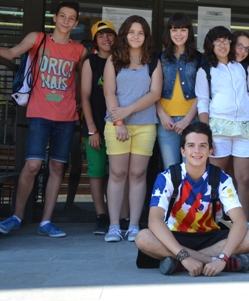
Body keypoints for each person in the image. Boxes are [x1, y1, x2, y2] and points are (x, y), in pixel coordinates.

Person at [0, 1, 88, 238]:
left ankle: (46, 221)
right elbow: (12, 53)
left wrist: (77, 101)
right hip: (39, 113)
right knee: (33, 165)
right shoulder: (38, 39)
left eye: (71, 18)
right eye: (62, 16)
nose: (66, 21)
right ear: (54, 17)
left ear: (76, 23)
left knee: (57, 167)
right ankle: (16, 216)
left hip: (66, 117)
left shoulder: (79, 50)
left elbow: (83, 78)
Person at [135, 122, 249, 276]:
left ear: (210, 150)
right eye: (191, 146)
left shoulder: (221, 178)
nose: (196, 151)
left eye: (202, 146)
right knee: (143, 237)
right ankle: (207, 261)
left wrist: (222, 257)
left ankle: (179, 262)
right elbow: (154, 220)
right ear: (182, 151)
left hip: (210, 235)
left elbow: (240, 221)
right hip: (175, 235)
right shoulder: (167, 177)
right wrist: (185, 255)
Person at [103, 15, 162, 242]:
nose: (136, 36)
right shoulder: (114, 59)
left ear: (146, 36)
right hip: (116, 125)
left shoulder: (153, 61)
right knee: (117, 174)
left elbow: (155, 94)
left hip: (145, 125)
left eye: (140, 33)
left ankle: (135, 225)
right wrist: (119, 122)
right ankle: (114, 226)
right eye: (131, 32)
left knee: (138, 175)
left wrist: (127, 111)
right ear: (124, 34)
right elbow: (109, 92)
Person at [196, 26, 249, 224]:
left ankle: (242, 225)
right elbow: (202, 102)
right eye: (217, 41)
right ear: (211, 45)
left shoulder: (243, 68)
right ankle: (217, 223)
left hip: (243, 127)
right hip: (218, 128)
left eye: (225, 41)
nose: (222, 45)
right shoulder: (205, 70)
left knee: (245, 179)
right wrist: (206, 136)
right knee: (218, 180)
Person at [81, 20, 118, 235]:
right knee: (96, 172)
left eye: (109, 34)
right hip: (95, 126)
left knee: (117, 172)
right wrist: (92, 128)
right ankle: (101, 216)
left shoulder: (122, 61)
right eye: (101, 35)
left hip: (118, 126)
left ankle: (117, 217)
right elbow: (84, 96)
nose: (106, 39)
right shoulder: (91, 62)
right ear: (95, 40)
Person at [156, 13, 202, 169]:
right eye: (174, 29)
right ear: (169, 32)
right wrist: (162, 115)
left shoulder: (199, 59)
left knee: (191, 169)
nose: (178, 34)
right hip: (166, 123)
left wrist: (187, 120)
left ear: (189, 32)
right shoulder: (160, 58)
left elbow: (202, 93)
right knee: (171, 170)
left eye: (183, 30)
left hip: (192, 122)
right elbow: (152, 90)